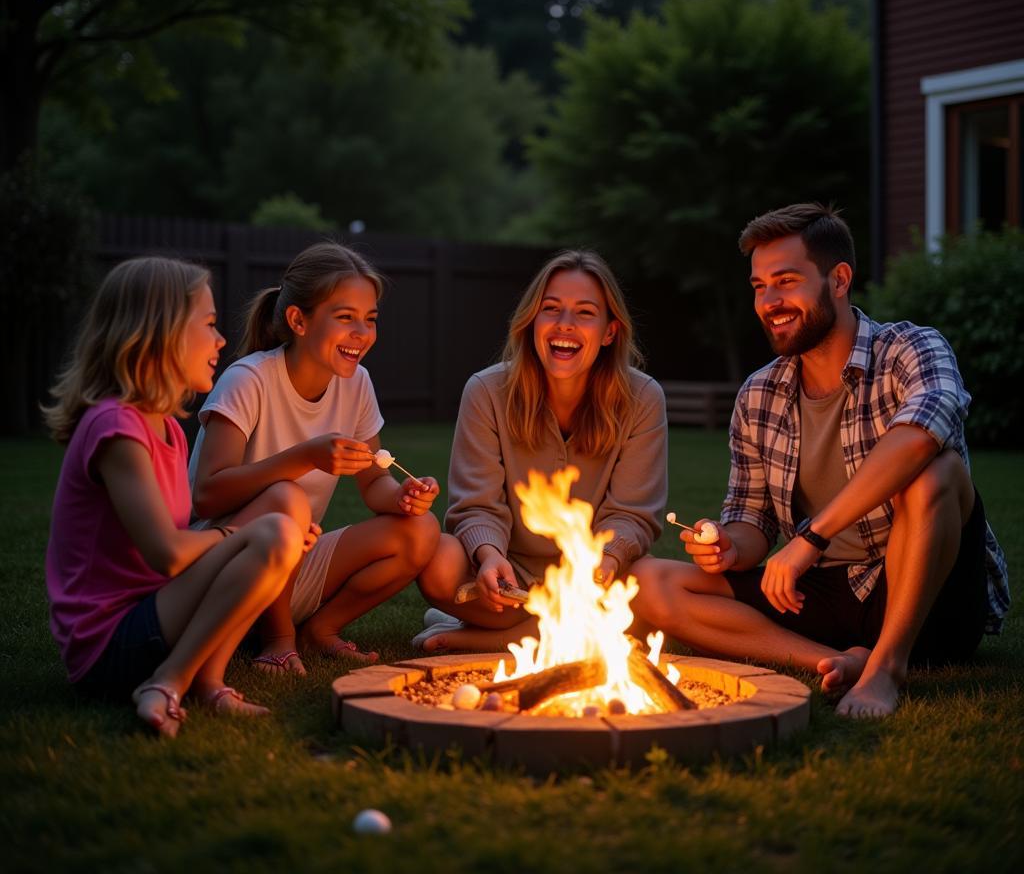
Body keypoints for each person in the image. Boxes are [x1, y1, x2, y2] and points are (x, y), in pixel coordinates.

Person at [632, 203, 1011, 718]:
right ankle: (834, 662)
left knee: (936, 471)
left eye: (786, 281)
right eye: (759, 286)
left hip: (926, 594)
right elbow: (752, 522)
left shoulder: (912, 348)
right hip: (825, 597)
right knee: (648, 581)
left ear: (839, 279)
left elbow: (920, 436)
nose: (770, 301)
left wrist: (810, 539)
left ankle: (886, 669)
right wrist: (725, 545)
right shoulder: (760, 393)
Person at [45, 257, 311, 737]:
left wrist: (260, 542)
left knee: (282, 513)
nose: (221, 340)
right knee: (271, 532)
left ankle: (208, 681)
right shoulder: (117, 427)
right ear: (161, 332)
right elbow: (167, 554)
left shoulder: (166, 426)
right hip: (109, 645)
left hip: (153, 612)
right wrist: (242, 536)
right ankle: (167, 681)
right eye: (208, 325)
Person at [189, 241, 440, 675]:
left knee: (421, 530)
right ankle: (276, 640)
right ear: (298, 320)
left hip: (291, 563)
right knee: (289, 497)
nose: (362, 333)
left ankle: (319, 630)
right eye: (346, 318)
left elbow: (373, 483)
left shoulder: (356, 383)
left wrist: (403, 497)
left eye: (370, 319)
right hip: (221, 568)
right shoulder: (248, 380)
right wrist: (304, 457)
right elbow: (207, 496)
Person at [414, 249, 668, 652]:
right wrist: (488, 554)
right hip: (508, 577)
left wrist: (602, 563)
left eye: (585, 312)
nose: (564, 324)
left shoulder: (642, 397)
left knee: (653, 586)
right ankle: (552, 637)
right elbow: (476, 503)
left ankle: (491, 640)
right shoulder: (486, 392)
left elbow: (631, 514)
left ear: (609, 331)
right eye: (551, 309)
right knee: (440, 562)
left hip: (598, 576)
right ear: (532, 321)